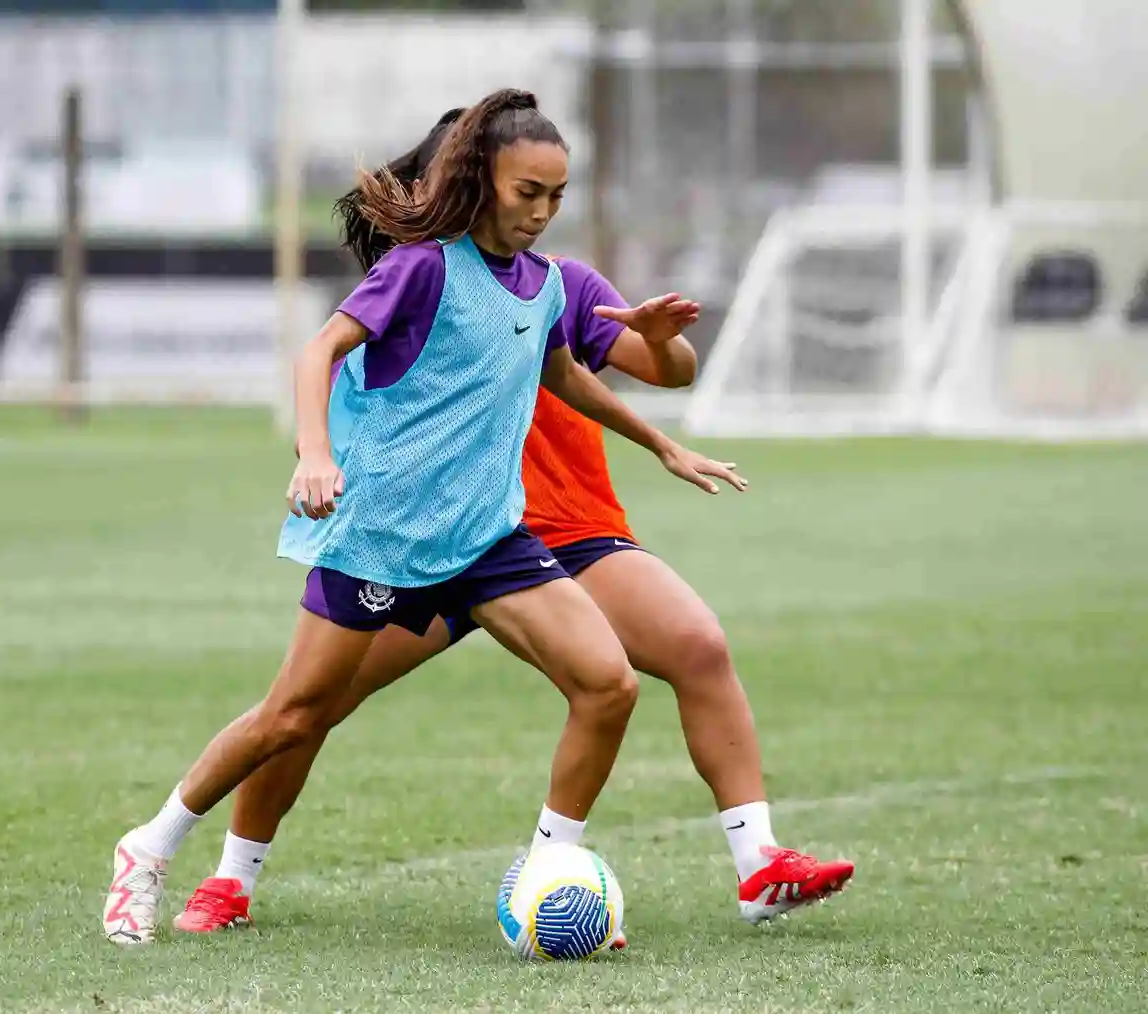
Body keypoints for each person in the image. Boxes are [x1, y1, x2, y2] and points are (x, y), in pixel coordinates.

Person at [166, 107, 854, 939]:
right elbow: (329, 365)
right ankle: (230, 878)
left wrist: (660, 349)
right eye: (523, 188)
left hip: (550, 537)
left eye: (552, 193)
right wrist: (316, 453)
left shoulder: (561, 285)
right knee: (310, 707)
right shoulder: (422, 284)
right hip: (425, 539)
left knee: (694, 647)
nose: (535, 209)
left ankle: (755, 865)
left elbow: (662, 370)